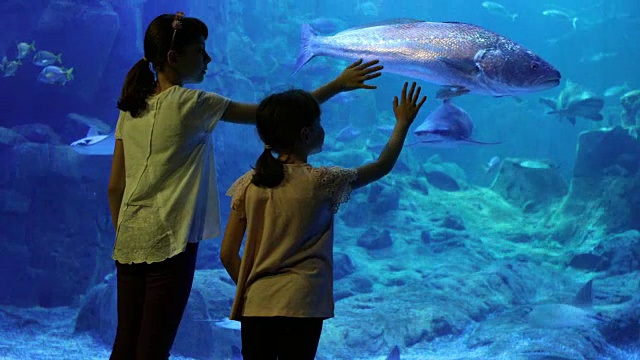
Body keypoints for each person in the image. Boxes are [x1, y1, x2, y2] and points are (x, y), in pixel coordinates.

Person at [106, 11, 383, 360]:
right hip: (169, 239)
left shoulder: (130, 109)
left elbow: (115, 186)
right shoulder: (193, 102)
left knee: (126, 340)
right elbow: (272, 116)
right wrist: (335, 86)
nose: (208, 58)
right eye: (200, 51)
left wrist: (125, 232)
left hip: (129, 237)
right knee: (153, 346)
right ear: (174, 58)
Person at [221, 81, 427, 359]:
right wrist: (402, 123)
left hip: (257, 304)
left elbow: (227, 254)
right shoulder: (324, 182)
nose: (323, 128)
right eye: (319, 122)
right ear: (306, 134)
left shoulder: (247, 184)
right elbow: (381, 166)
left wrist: (253, 290)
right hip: (304, 303)